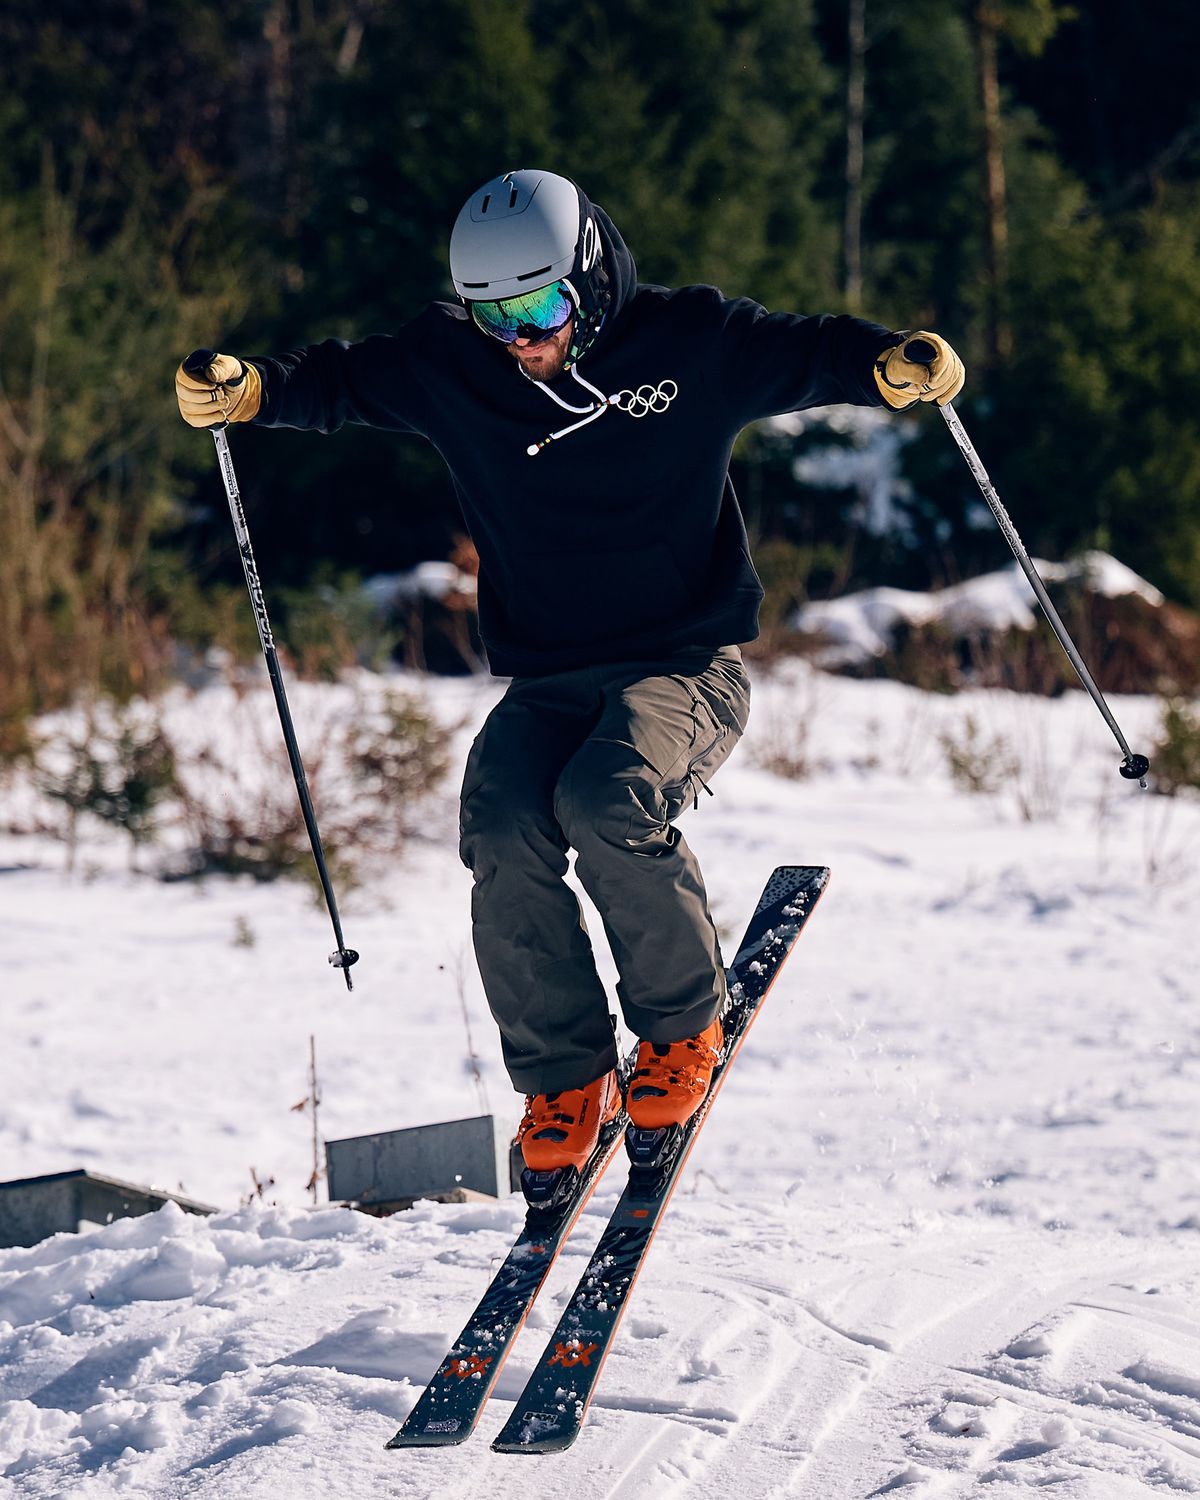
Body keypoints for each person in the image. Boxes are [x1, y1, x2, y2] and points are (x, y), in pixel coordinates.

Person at [176, 168, 964, 1185]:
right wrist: (253, 391)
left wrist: (887, 366)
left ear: (590, 279)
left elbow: (807, 351)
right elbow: (340, 382)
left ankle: (680, 1030)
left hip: (685, 664)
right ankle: (565, 1076)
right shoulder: (458, 367)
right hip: (549, 678)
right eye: (493, 315)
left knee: (604, 800)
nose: (520, 339)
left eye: (540, 307)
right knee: (501, 821)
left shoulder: (690, 343)